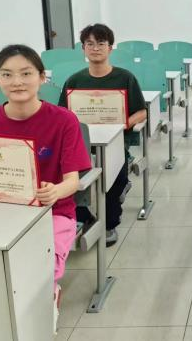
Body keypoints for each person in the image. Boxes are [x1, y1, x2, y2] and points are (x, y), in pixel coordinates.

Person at [0, 44, 91, 329]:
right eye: (7, 74)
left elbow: (72, 181)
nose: (17, 82)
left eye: (26, 73)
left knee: (39, 272)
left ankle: (47, 301)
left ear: (41, 77)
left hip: (52, 212)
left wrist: (55, 191)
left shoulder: (64, 120)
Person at [58, 24, 146, 247]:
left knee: (114, 179)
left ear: (110, 48)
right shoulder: (74, 80)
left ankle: (109, 224)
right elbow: (62, 115)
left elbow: (142, 112)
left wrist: (123, 124)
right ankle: (83, 219)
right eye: (89, 44)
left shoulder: (125, 78)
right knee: (71, 177)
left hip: (115, 141)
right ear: (83, 48)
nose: (95, 48)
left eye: (101, 43)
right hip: (81, 143)